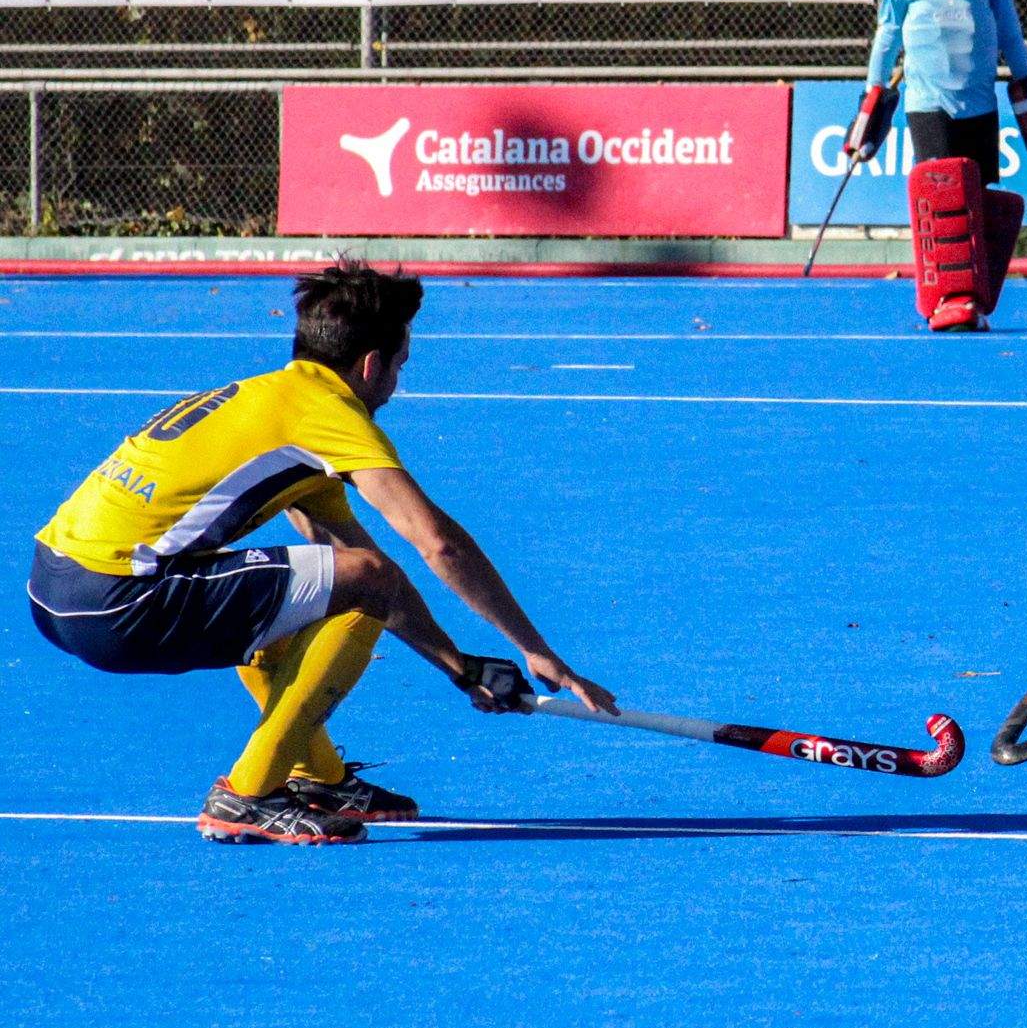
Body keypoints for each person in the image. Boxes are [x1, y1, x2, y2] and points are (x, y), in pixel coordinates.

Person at [26, 260, 617, 845]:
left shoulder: (272, 401)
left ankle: (320, 778)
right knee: (359, 580)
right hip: (117, 599)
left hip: (54, 590)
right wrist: (536, 650)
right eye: (400, 366)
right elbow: (435, 543)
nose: (396, 383)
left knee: (312, 595)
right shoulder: (329, 415)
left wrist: (459, 669)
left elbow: (352, 567)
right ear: (371, 365)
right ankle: (248, 794)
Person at [853, 0, 1027, 331]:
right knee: (943, 200)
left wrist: (1024, 80)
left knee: (977, 201)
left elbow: (1008, 28)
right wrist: (873, 87)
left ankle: (975, 300)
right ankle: (947, 296)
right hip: (928, 103)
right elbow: (887, 34)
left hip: (980, 102)